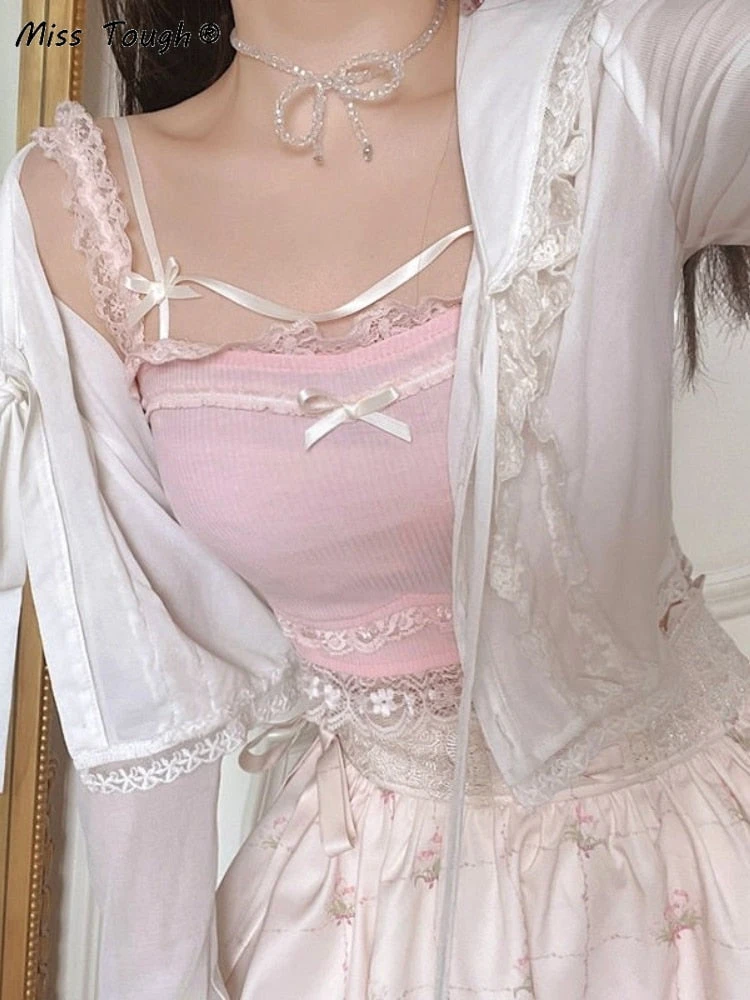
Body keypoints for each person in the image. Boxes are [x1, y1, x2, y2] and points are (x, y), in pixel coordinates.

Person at [4, 0, 750, 996]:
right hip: (354, 918)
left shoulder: (617, 79)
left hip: (685, 877)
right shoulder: (76, 209)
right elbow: (145, 695)